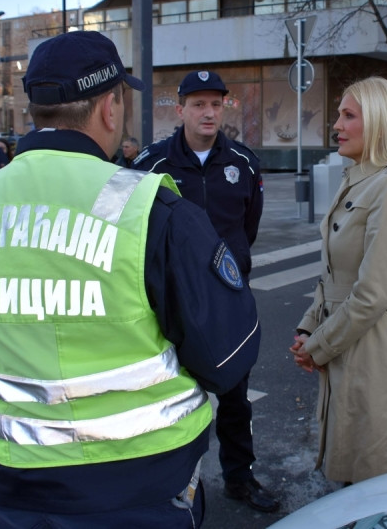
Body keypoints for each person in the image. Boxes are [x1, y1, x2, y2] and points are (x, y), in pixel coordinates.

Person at [0, 31, 260, 527]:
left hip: (13, 482)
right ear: (110, 108)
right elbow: (227, 357)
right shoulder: (149, 207)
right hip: (141, 484)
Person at [132, 70, 275, 512]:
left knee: (235, 397)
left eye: (216, 103)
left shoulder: (243, 163)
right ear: (180, 111)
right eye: (198, 104)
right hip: (169, 304)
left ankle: (239, 478)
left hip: (228, 299)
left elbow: (246, 228)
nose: (209, 112)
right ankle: (170, 484)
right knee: (169, 397)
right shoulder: (151, 164)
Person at [288, 76, 387, 484]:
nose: (336, 124)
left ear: (381, 123)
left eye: (348, 115)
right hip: (348, 338)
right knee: (351, 466)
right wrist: (308, 327)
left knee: (376, 474)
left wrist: (316, 346)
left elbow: (372, 293)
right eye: (338, 114)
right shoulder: (358, 178)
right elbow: (334, 274)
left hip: (375, 347)